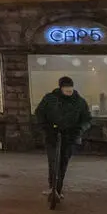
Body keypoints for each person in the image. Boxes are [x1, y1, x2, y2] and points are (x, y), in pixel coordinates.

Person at [33, 76, 92, 207]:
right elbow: (39, 113)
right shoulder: (50, 99)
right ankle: (52, 187)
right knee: (53, 161)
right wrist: (45, 127)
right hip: (52, 135)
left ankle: (58, 189)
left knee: (63, 163)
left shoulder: (79, 102)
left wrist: (80, 128)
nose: (69, 92)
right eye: (66, 90)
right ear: (60, 89)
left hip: (70, 136)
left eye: (70, 90)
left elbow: (87, 119)